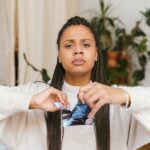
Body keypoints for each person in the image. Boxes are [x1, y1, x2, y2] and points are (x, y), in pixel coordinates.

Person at [0, 16, 149, 150]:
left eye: (86, 44)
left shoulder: (116, 100)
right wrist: (30, 101)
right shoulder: (37, 93)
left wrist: (124, 96)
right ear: (59, 55)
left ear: (96, 54)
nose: (78, 50)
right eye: (69, 45)